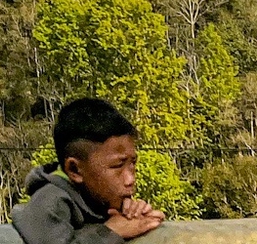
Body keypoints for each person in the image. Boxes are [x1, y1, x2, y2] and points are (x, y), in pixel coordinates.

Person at [11, 97, 165, 244]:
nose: (130, 179)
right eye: (117, 166)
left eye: (133, 163)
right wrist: (110, 232)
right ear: (75, 170)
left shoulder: (98, 196)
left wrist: (137, 217)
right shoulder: (49, 203)